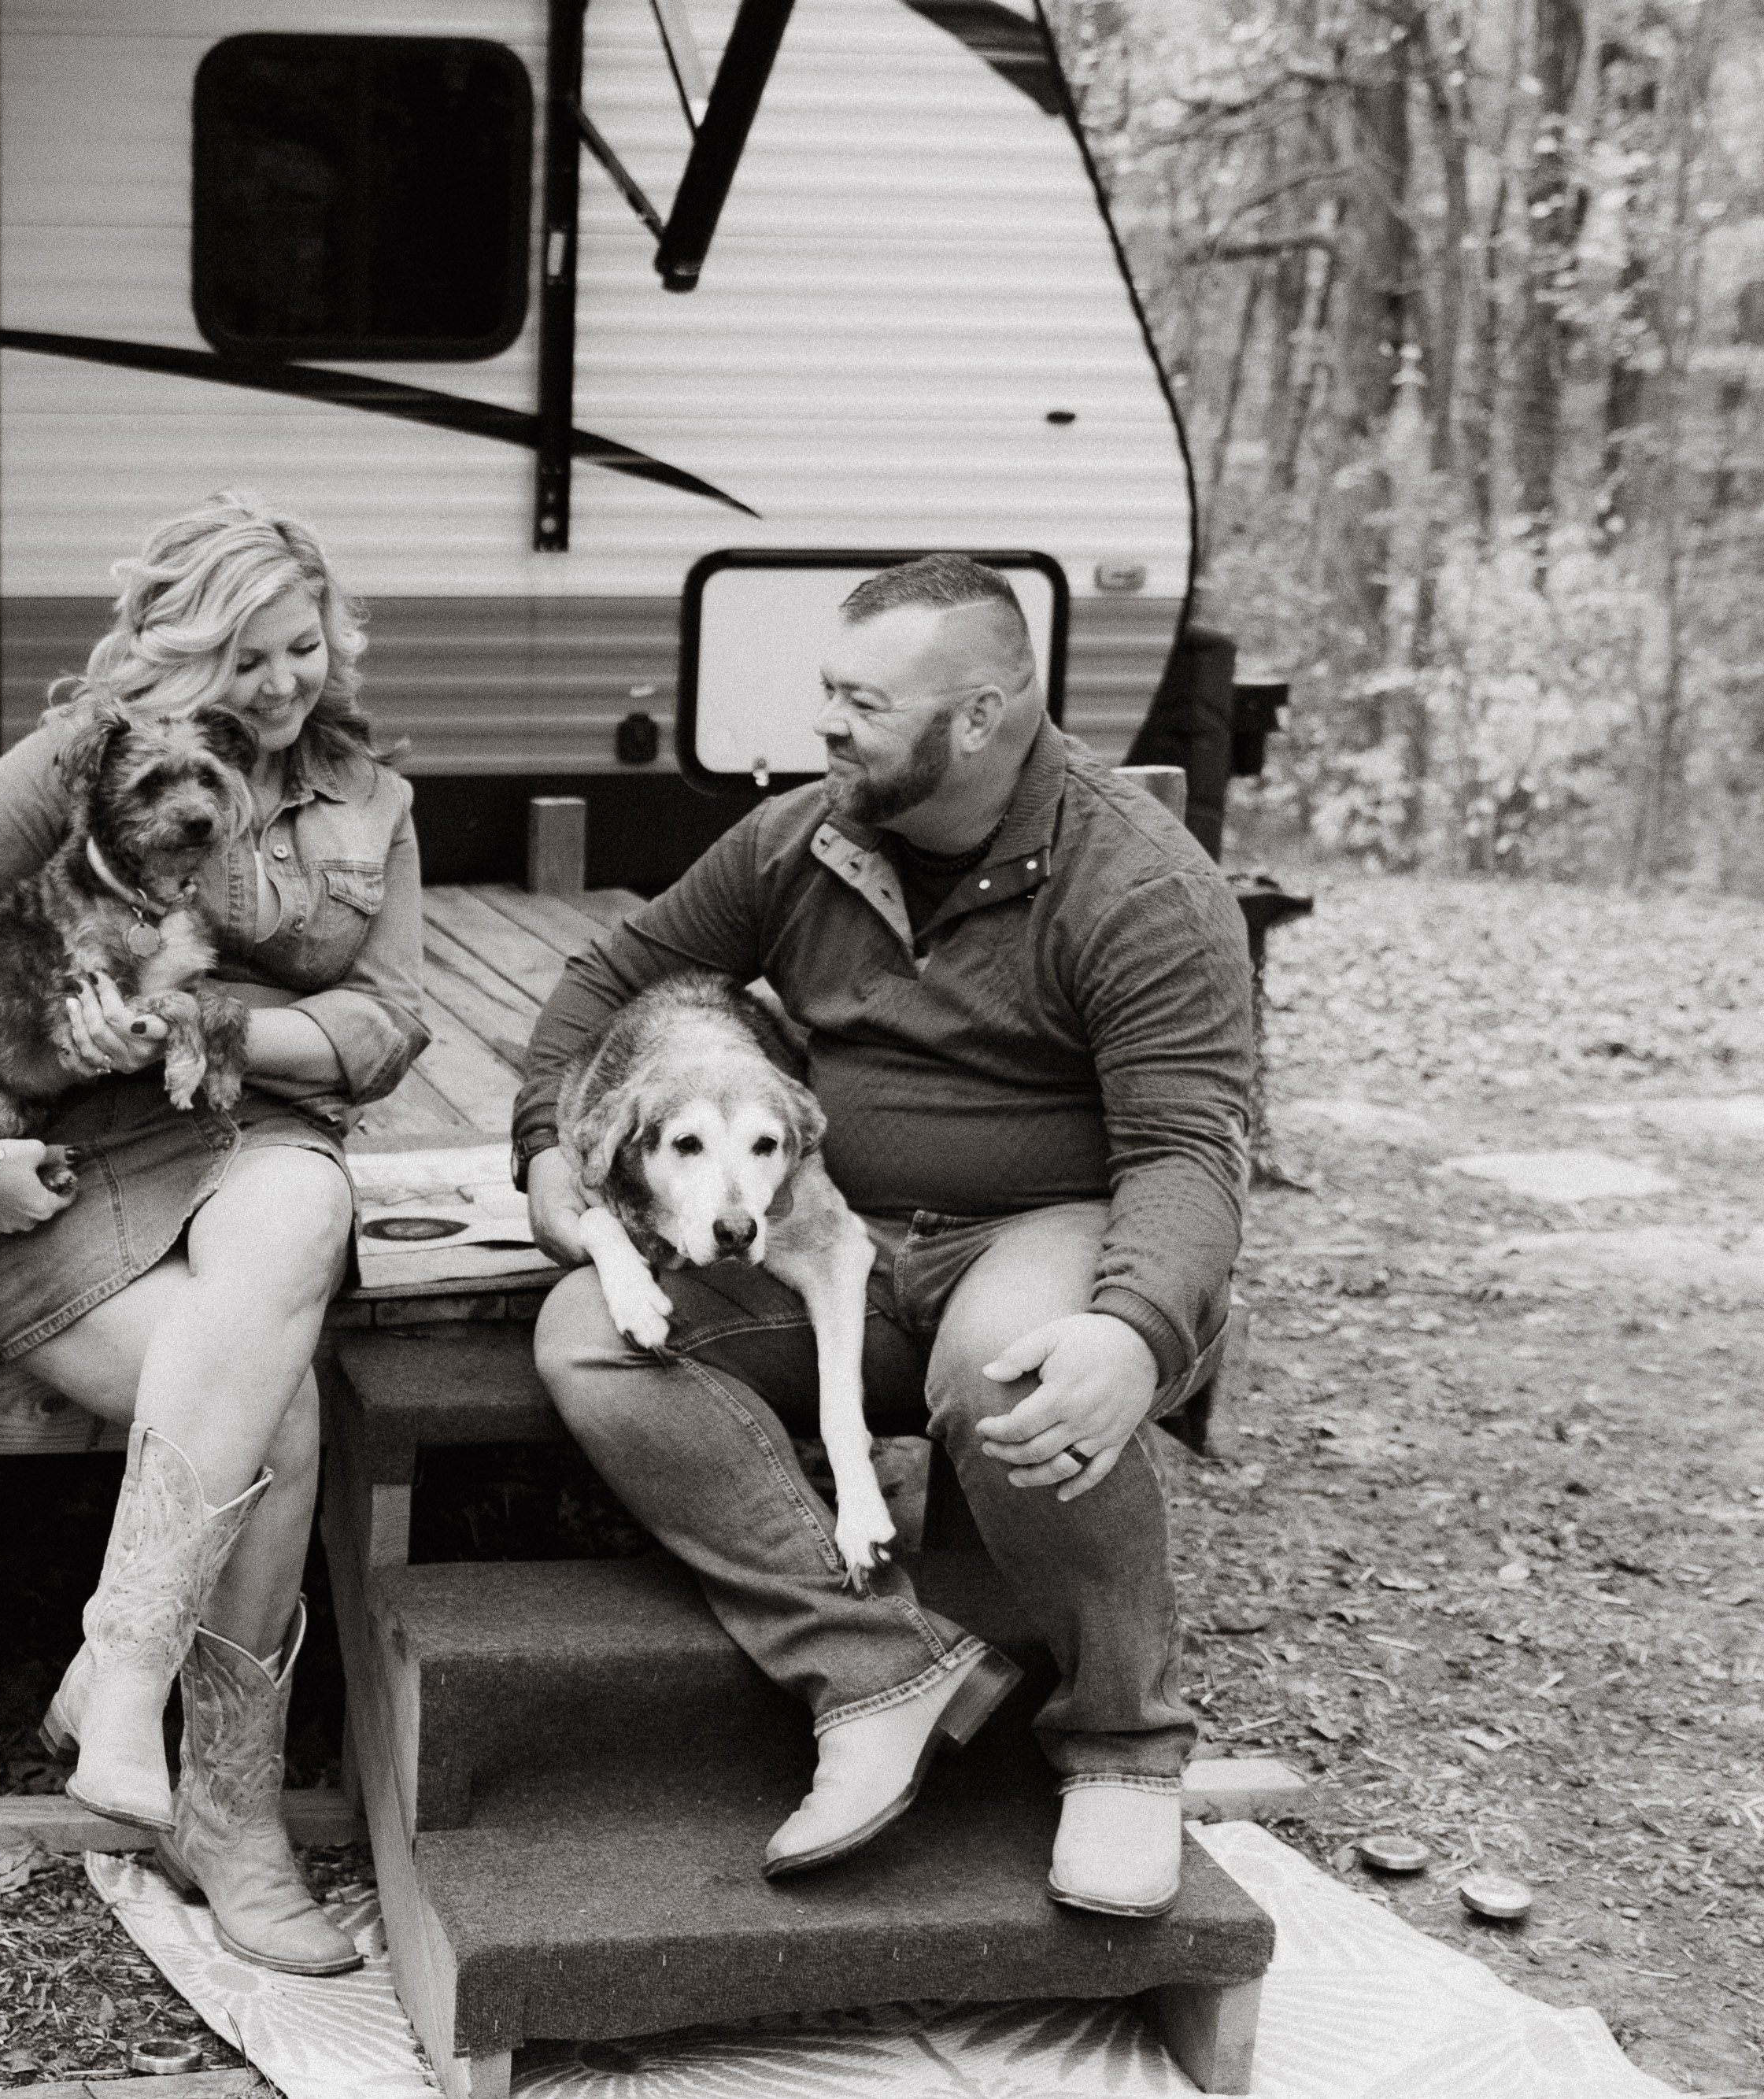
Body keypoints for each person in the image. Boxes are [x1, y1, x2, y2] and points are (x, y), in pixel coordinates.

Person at [515, 555, 1252, 1917]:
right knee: (587, 1337)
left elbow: (1188, 1152)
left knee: (1019, 1370)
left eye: (861, 703)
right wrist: (549, 1160)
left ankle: (1124, 1750)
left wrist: (1134, 1326)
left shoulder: (1139, 885)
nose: (829, 727)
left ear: (976, 719)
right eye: (829, 695)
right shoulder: (800, 840)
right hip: (826, 1229)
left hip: (1032, 1230)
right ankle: (876, 1673)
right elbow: (612, 977)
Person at [0, 493, 426, 1974]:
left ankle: (123, 1671)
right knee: (273, 1420)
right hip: (45, 1171)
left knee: (311, 1190)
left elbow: (391, 1020)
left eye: (305, 645)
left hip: (228, 1134)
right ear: (179, 647)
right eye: (248, 657)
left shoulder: (368, 797)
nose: (284, 685)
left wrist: (215, 1022)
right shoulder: (86, 755)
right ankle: (227, 1813)